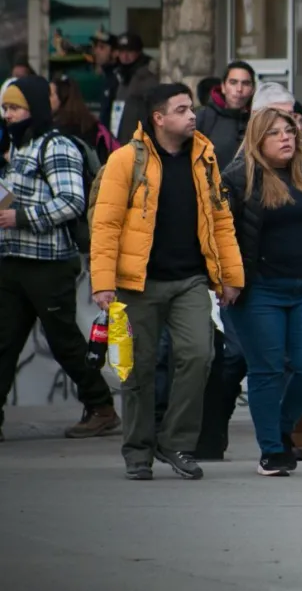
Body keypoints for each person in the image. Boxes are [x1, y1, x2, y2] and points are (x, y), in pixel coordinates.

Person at [90, 83, 244, 481]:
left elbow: (221, 220)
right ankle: (138, 450)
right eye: (181, 110)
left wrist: (230, 276)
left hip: (190, 281)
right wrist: (103, 282)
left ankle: (175, 442)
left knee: (198, 356)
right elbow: (105, 225)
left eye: (191, 108)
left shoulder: (204, 158)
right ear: (159, 119)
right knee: (136, 369)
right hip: (134, 284)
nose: (192, 115)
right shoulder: (126, 160)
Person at [222, 108, 302, 476]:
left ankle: (279, 425)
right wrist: (227, 278)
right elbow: (222, 233)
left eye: (289, 131)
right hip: (259, 291)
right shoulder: (238, 178)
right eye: (275, 133)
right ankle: (272, 451)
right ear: (258, 141)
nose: (286, 138)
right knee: (267, 370)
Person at [0, 75, 120, 442]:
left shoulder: (56, 147)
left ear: (34, 108)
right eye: (5, 108)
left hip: (49, 265)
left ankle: (100, 406)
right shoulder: (18, 146)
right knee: (3, 342)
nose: (8, 115)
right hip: (13, 260)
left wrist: (21, 217)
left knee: (64, 340)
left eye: (15, 108)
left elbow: (72, 202)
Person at [196, 60, 256, 169]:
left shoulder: (259, 119)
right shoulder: (204, 117)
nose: (239, 89)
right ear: (223, 87)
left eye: (246, 83)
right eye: (233, 82)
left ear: (253, 89)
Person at [50, 75, 116, 163]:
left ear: (62, 97)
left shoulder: (58, 130)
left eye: (50, 94)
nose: (46, 98)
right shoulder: (93, 123)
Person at [110, 32, 159, 143]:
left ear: (138, 52)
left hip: (139, 143)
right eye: (121, 52)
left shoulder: (148, 77)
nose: (125, 56)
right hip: (119, 141)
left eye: (130, 51)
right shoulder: (120, 75)